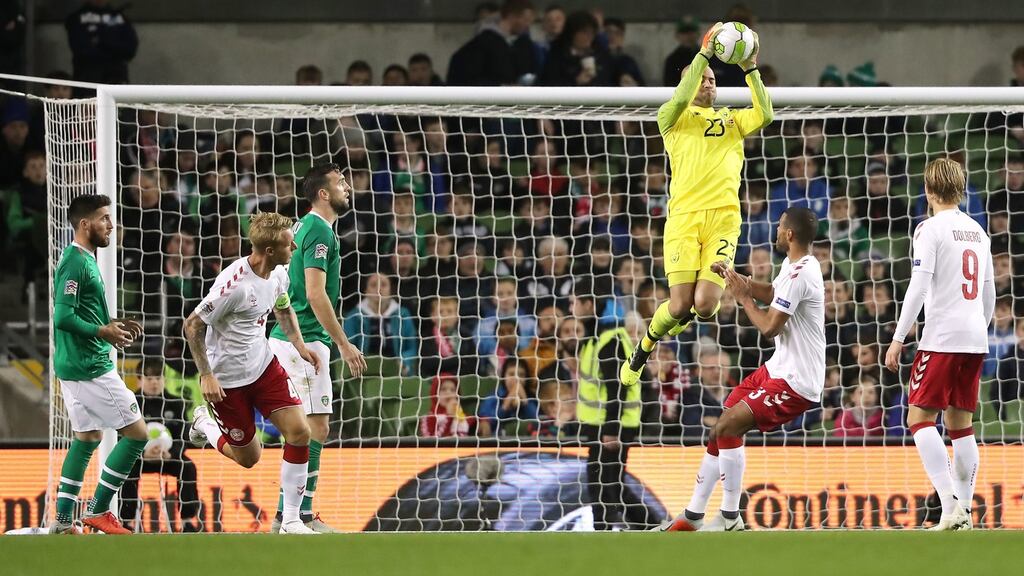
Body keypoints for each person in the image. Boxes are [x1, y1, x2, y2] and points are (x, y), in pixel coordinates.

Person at [621, 22, 773, 388]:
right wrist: (703, 53)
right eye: (701, 78)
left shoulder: (732, 121)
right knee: (677, 308)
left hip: (723, 221)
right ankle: (643, 348)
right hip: (684, 222)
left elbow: (766, 114)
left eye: (711, 79)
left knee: (704, 307)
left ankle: (697, 304)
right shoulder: (672, 119)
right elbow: (679, 97)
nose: (708, 83)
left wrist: (750, 68)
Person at [659, 207, 825, 532]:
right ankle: (692, 515)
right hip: (778, 368)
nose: (776, 231)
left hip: (797, 381)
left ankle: (730, 517)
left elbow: (769, 327)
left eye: (779, 226)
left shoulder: (801, 273)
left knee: (730, 428)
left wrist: (742, 298)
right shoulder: (798, 265)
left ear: (789, 234)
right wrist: (739, 280)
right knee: (721, 425)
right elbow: (775, 293)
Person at [184, 212, 323, 534]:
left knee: (300, 432)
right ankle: (204, 421)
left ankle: (290, 519)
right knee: (249, 458)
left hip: (263, 367)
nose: (295, 248)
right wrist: (205, 375)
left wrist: (300, 346)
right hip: (227, 381)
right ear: (271, 251)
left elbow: (283, 306)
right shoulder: (234, 286)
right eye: (291, 244)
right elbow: (192, 325)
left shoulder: (278, 274)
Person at [884, 158, 995, 531]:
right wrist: (979, 326)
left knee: (919, 418)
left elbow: (918, 285)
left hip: (942, 336)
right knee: (961, 425)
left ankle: (949, 505)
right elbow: (989, 292)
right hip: (975, 335)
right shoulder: (978, 231)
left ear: (928, 191)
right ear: (961, 190)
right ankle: (965, 510)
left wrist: (899, 338)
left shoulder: (929, 229)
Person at [266, 163, 367, 532]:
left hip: (293, 338)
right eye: (341, 184)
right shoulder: (320, 231)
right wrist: (343, 343)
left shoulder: (302, 227)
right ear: (323, 194)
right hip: (305, 340)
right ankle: (294, 515)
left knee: (309, 429)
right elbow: (313, 292)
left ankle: (292, 515)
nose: (347, 188)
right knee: (312, 429)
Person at [49, 194, 146, 535]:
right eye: (104, 218)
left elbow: (80, 311)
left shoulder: (84, 260)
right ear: (85, 224)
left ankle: (61, 522)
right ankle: (99, 510)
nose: (111, 224)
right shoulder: (75, 263)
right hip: (88, 365)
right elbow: (62, 316)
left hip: (73, 365)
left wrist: (110, 322)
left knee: (87, 438)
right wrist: (101, 331)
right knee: (137, 434)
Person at [571, 285, 642, 530]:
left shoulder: (609, 341)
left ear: (589, 305)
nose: (573, 308)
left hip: (610, 426)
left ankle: (608, 530)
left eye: (576, 302)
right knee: (611, 485)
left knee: (604, 484)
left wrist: (611, 429)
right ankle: (650, 526)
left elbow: (617, 388)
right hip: (601, 424)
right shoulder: (597, 338)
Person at [119, 359, 201, 532]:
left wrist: (172, 453)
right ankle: (126, 520)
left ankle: (187, 521)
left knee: (188, 466)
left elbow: (183, 436)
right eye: (149, 379)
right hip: (139, 457)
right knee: (124, 468)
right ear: (139, 380)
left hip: (168, 456)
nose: (155, 382)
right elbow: (121, 436)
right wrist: (141, 453)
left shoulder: (176, 403)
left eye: (158, 377)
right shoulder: (131, 404)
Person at [342, 272, 418, 375]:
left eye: (383, 284)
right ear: (365, 291)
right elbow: (347, 345)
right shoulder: (354, 316)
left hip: (396, 370)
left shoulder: (403, 314)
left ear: (391, 290)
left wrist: (404, 361)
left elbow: (412, 346)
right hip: (364, 371)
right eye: (373, 285)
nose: (378, 289)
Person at [65, 0, 138, 86]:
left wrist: (100, 42)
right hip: (88, 79)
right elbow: (82, 50)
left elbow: (130, 49)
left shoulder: (120, 17)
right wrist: (114, 47)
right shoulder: (77, 17)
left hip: (117, 77)